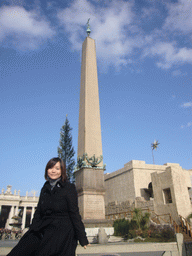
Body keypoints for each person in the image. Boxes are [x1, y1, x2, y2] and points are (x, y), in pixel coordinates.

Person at [7, 157, 89, 256]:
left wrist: (82, 238)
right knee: (20, 250)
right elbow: (39, 212)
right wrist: (32, 230)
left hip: (62, 231)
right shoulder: (45, 188)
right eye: (51, 168)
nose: (53, 171)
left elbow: (74, 213)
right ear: (47, 170)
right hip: (43, 227)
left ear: (62, 171)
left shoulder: (69, 188)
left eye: (57, 168)